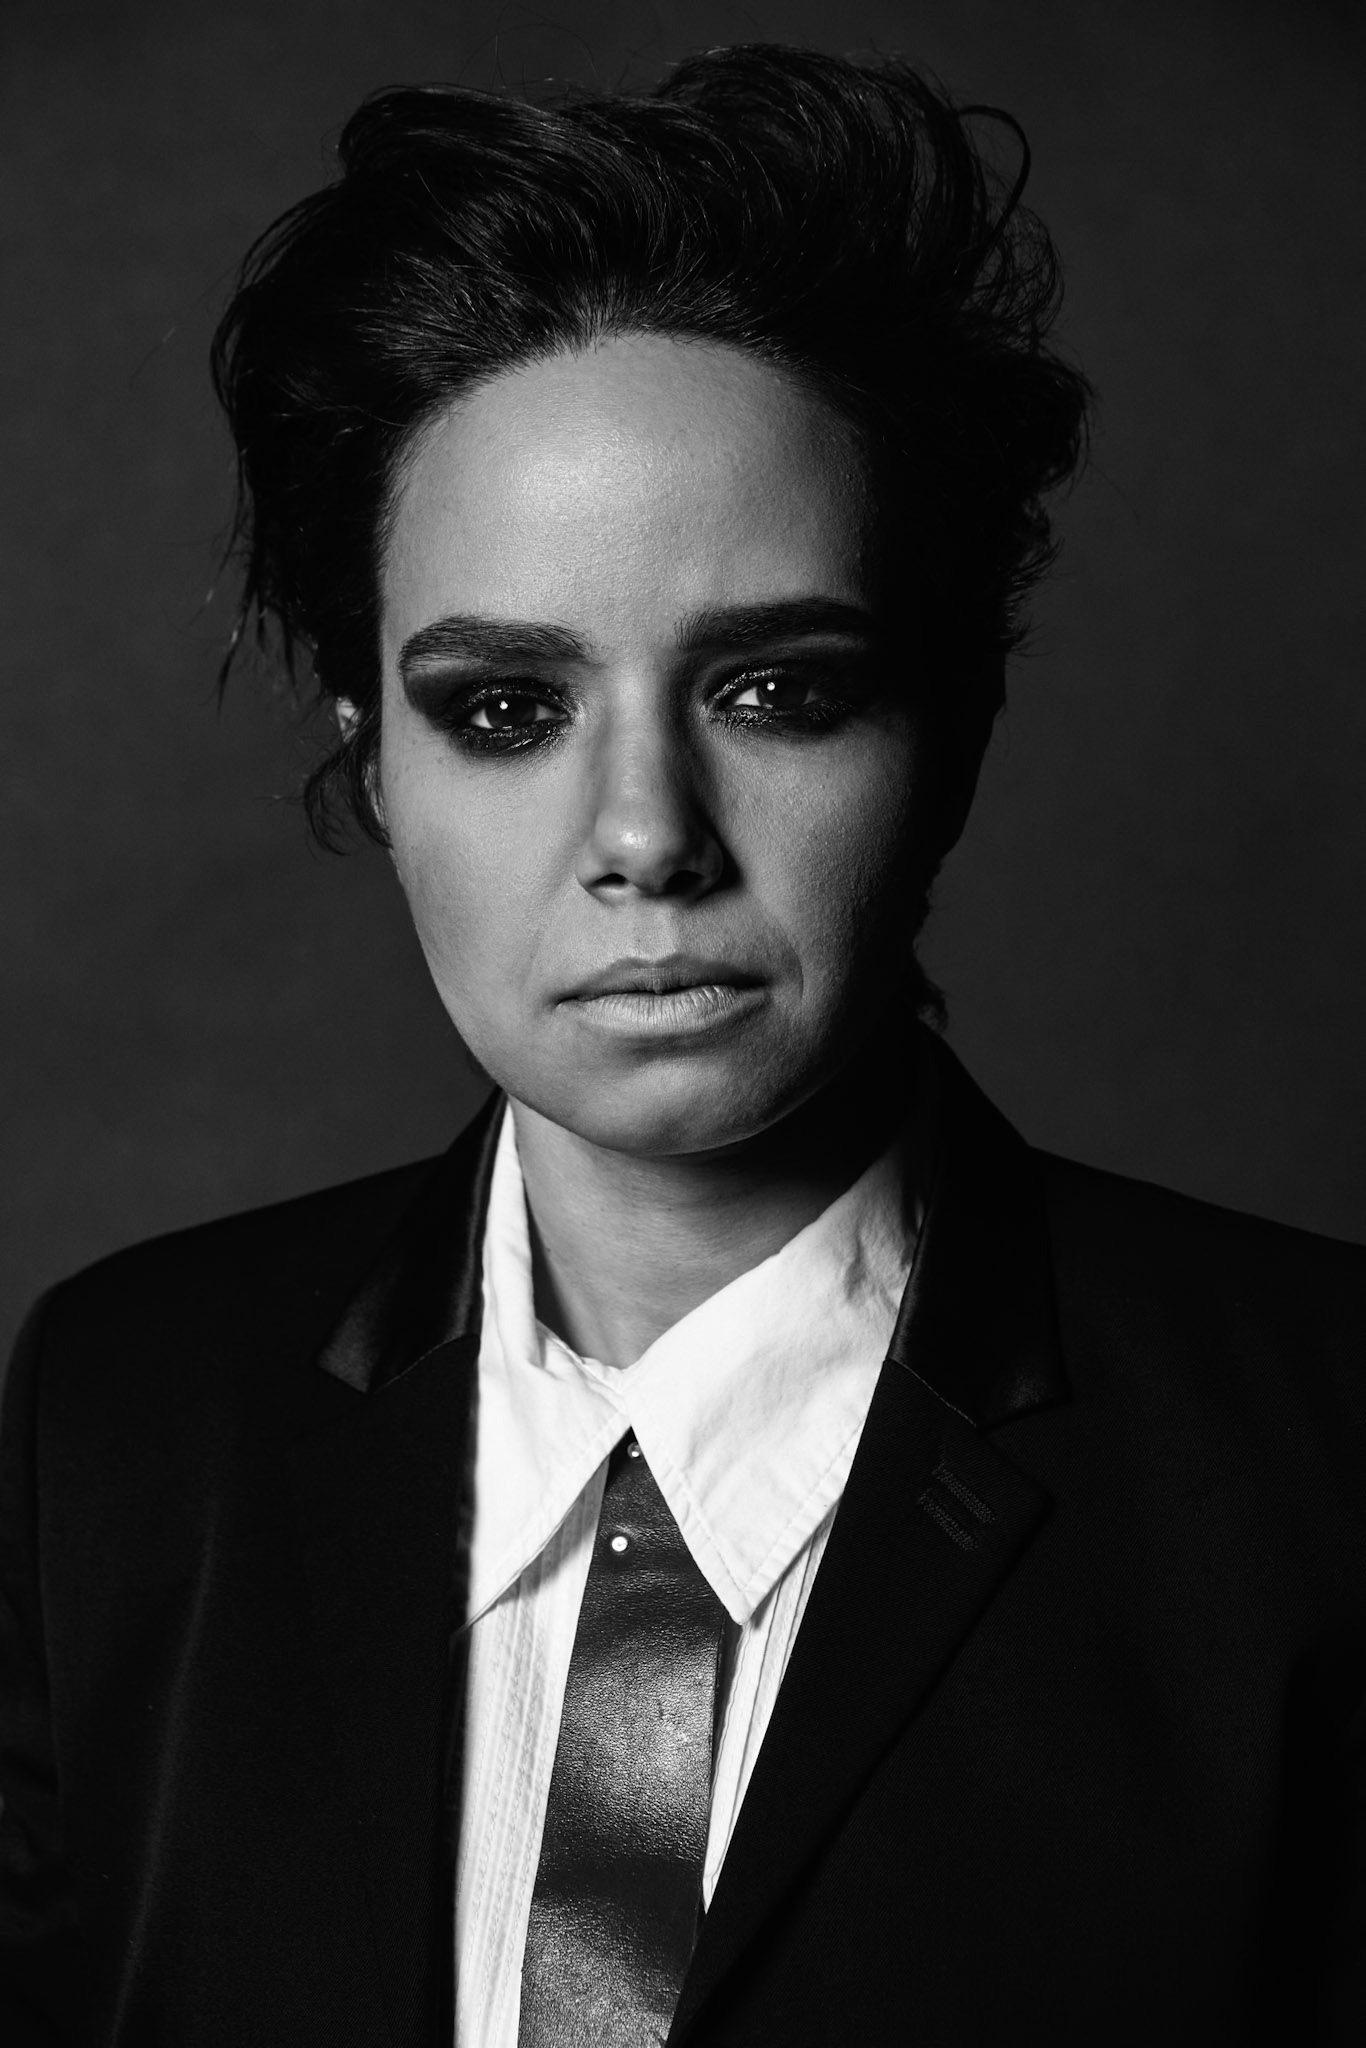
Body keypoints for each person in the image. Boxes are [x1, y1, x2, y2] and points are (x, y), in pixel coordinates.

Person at [1, 40, 1363, 2048]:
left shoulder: (1319, 1460)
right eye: (504, 709)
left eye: (775, 688)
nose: (644, 835)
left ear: (953, 729)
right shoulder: (124, 1418)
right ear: (372, 768)